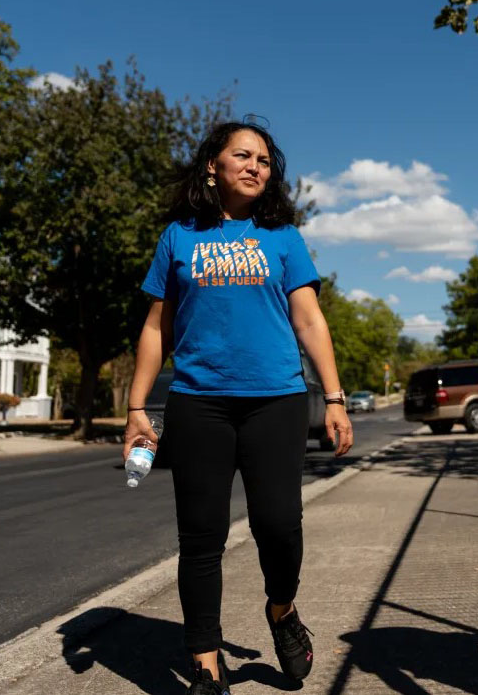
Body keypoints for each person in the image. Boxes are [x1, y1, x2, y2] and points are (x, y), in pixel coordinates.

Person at [124, 121, 354, 694]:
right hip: (198, 402)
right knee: (201, 538)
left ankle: (281, 610)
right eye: (242, 155)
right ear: (213, 166)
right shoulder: (178, 237)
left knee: (279, 525)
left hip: (275, 400)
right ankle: (205, 662)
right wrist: (136, 408)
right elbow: (157, 328)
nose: (255, 166)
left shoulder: (281, 236)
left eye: (265, 160)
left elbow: (308, 319)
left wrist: (334, 397)